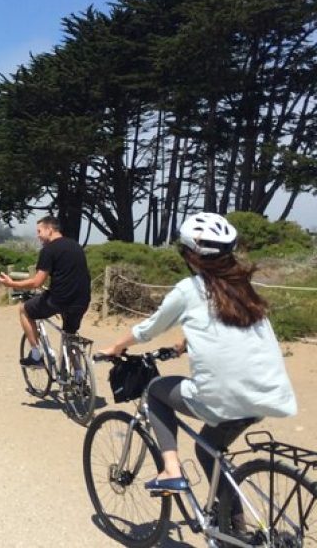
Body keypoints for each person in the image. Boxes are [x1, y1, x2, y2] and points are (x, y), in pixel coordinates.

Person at [99, 212, 297, 499]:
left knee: (154, 390)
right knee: (208, 451)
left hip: (225, 397)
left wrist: (117, 346)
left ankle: (171, 471)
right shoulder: (243, 289)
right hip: (267, 395)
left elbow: (149, 329)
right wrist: (185, 344)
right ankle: (232, 531)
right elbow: (227, 329)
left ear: (190, 256)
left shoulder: (188, 290)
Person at [0, 215, 91, 370]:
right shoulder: (76, 246)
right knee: (70, 335)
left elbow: (37, 282)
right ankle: (79, 374)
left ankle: (36, 355)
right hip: (82, 300)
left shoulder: (49, 250)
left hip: (59, 300)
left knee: (24, 310)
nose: (38, 235)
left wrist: (12, 283)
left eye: (39, 231)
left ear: (49, 229)